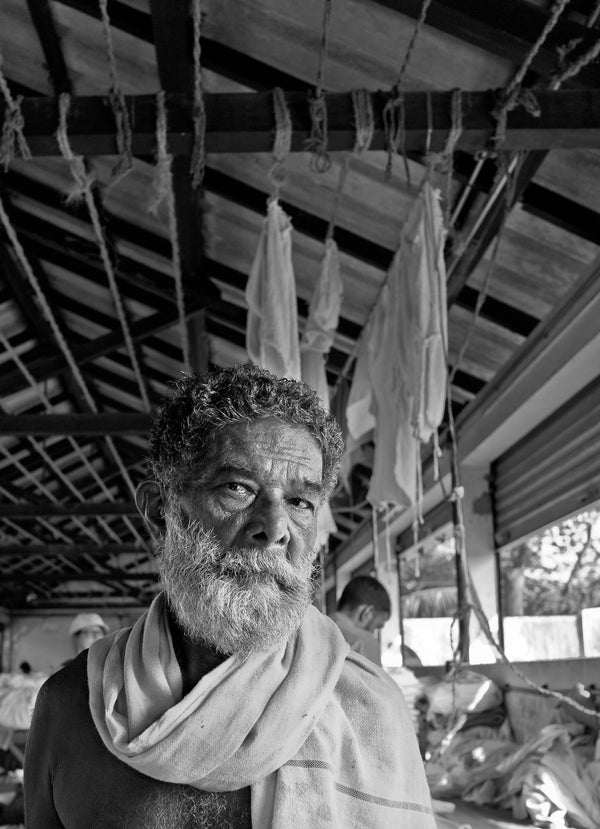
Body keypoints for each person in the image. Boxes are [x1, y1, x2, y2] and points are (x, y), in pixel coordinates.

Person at [24, 364, 436, 828]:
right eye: (237, 488)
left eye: (301, 502)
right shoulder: (72, 707)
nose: (276, 529)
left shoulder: (370, 708)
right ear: (161, 514)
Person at [329, 575, 391, 666]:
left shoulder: (312, 629)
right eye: (377, 626)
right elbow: (372, 681)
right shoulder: (363, 641)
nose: (373, 632)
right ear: (367, 612)